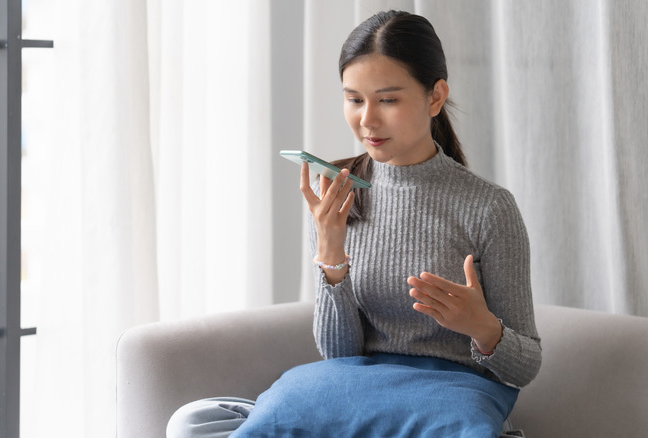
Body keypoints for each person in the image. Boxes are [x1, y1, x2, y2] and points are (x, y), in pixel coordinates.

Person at [167, 10, 541, 438]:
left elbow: (525, 367)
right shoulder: (340, 195)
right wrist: (331, 255)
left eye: (387, 100)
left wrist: (482, 327)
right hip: (353, 392)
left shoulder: (489, 208)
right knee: (191, 421)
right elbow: (338, 355)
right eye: (354, 99)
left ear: (435, 97)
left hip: (448, 405)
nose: (367, 120)